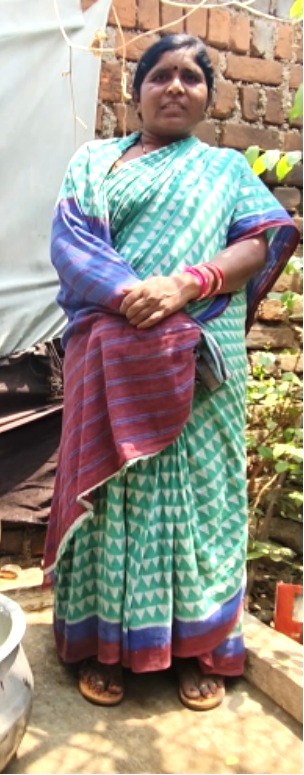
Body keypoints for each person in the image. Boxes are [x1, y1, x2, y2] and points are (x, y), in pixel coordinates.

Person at [43, 33, 299, 711]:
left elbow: (258, 244)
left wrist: (186, 286)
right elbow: (72, 245)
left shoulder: (226, 169)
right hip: (111, 354)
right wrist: (139, 300)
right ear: (137, 94)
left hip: (202, 362)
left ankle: (196, 648)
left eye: (192, 76)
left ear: (209, 96)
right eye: (161, 75)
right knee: (113, 499)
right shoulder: (94, 163)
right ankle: (108, 646)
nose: (176, 86)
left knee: (202, 499)